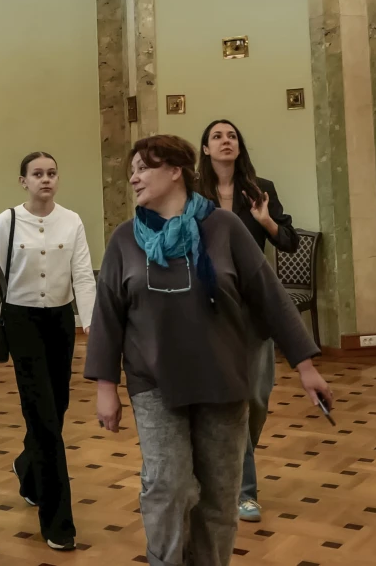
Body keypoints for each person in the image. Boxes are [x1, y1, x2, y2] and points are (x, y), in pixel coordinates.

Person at [85, 136, 331, 566]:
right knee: (168, 485)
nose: (134, 178)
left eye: (143, 168)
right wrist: (106, 387)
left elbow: (270, 296)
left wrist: (305, 366)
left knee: (219, 492)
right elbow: (107, 314)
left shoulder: (224, 227)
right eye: (132, 170)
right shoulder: (124, 239)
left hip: (222, 379)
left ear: (175, 171)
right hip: (153, 381)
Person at [0, 152, 94, 551]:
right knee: (43, 416)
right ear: (23, 181)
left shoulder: (72, 220)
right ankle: (58, 521)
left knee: (56, 410)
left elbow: (83, 274)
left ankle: (27, 469)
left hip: (60, 323)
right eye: (37, 174)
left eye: (51, 173)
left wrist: (91, 322)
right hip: (21, 321)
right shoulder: (7, 220)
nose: (46, 179)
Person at [196, 119, 299, 523]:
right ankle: (244, 491)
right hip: (208, 308)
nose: (226, 141)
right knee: (228, 399)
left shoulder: (260, 189)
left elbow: (288, 241)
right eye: (217, 136)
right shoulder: (194, 193)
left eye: (232, 136)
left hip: (253, 309)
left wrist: (265, 219)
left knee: (256, 397)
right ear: (206, 149)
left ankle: (230, 464)